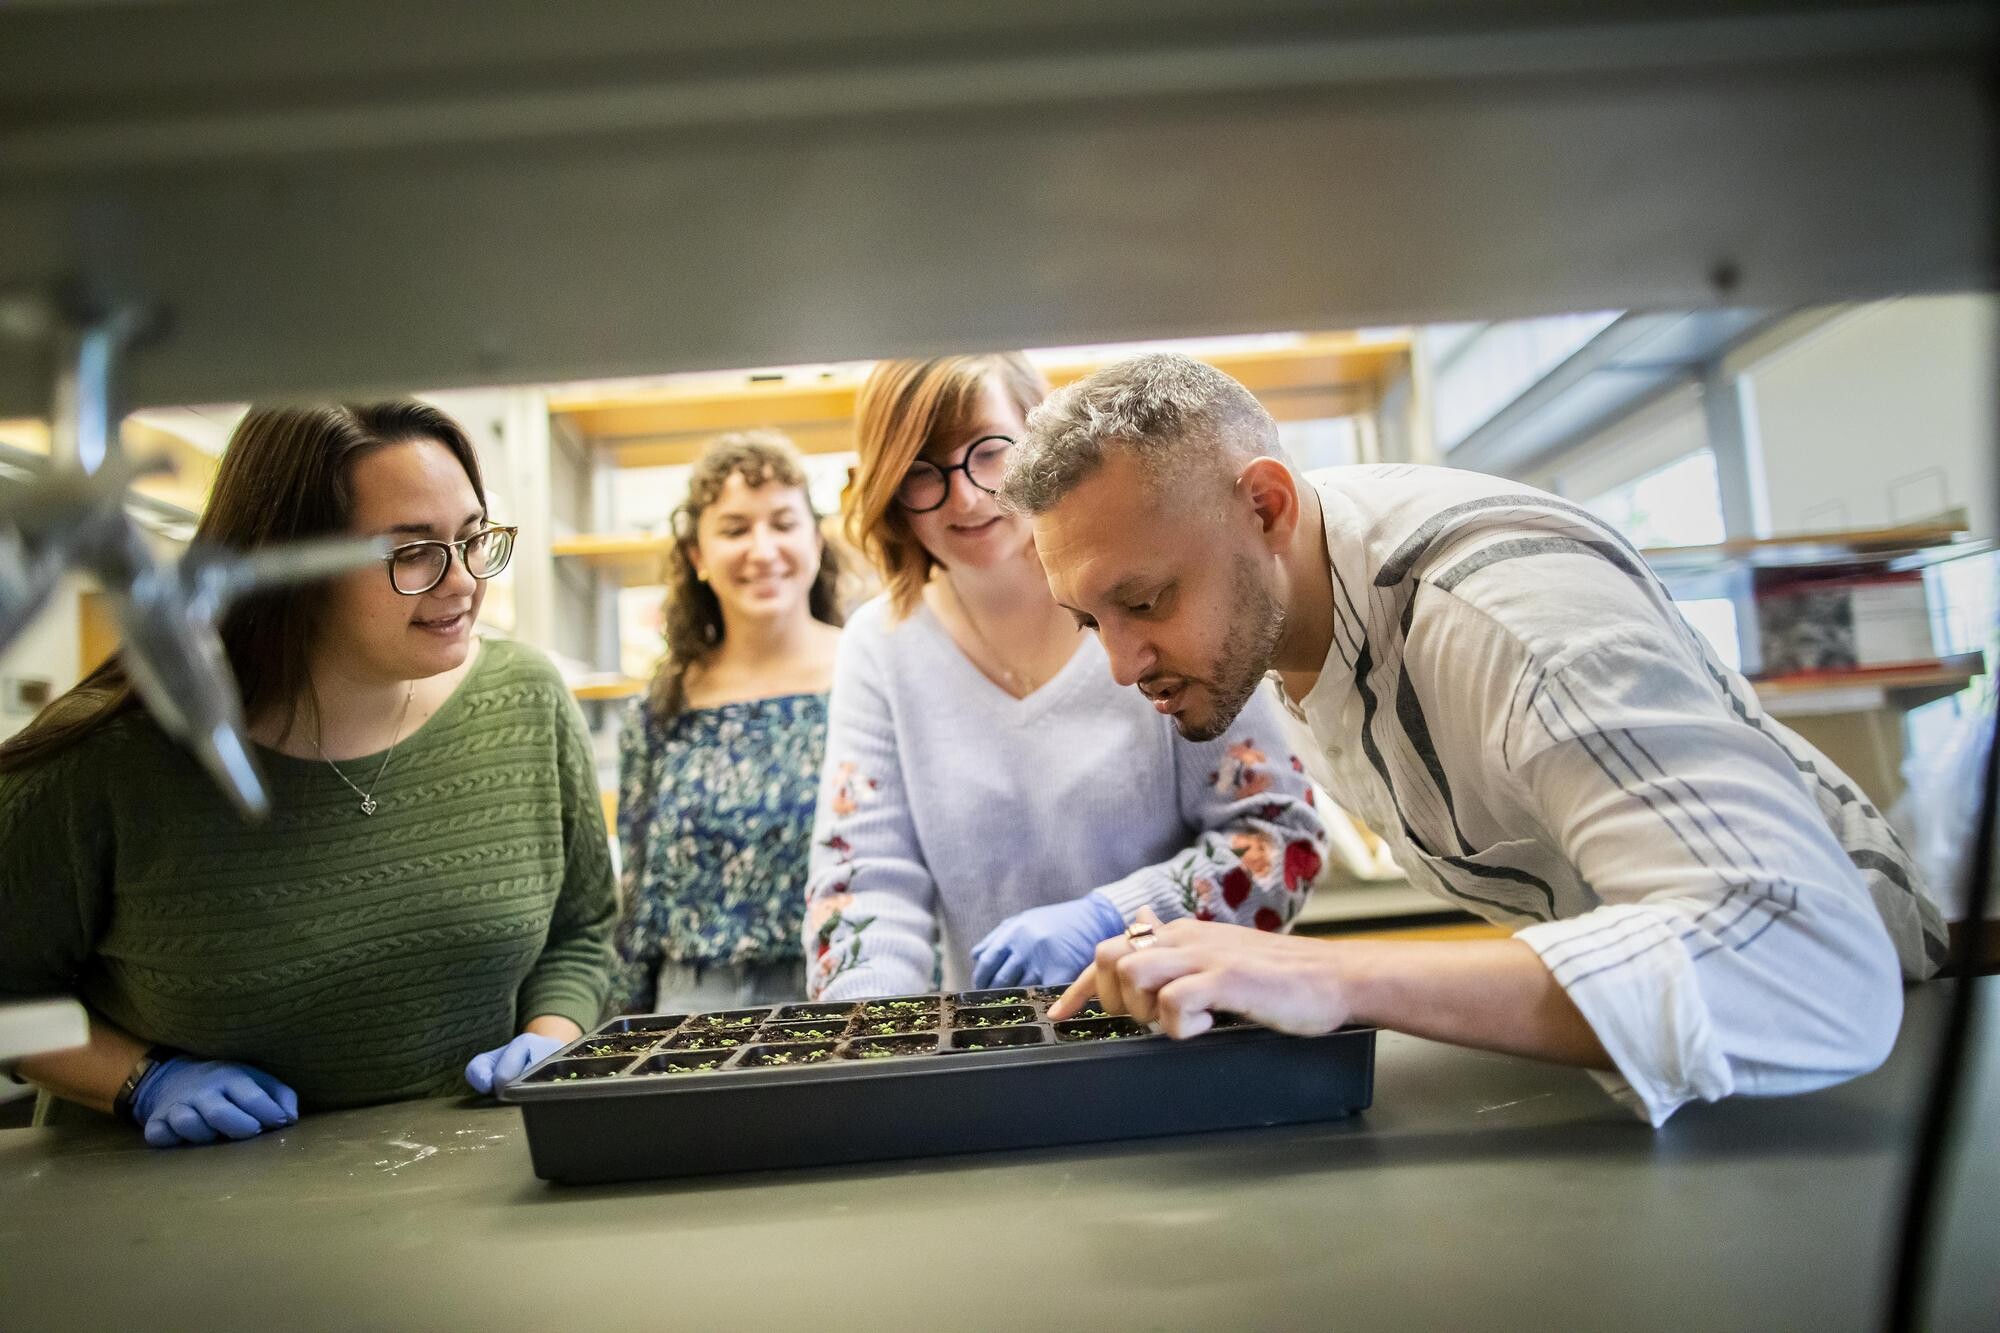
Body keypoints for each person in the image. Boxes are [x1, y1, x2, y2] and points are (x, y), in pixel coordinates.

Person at [1006, 352, 1948, 1126]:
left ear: (1266, 507)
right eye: (1091, 621)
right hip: (1680, 1074)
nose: (1124, 666)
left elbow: (1810, 959)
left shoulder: (1508, 619)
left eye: (1143, 601)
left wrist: (1337, 975)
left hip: (1864, 1080)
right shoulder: (1292, 614)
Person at [0, 402, 615, 1146]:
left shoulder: (525, 700)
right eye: (412, 551)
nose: (462, 582)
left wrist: (554, 1035)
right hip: (168, 1223)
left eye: (472, 537)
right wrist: (141, 1078)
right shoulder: (106, 760)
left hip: (463, 1196)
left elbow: (578, 932)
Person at [803, 354, 1328, 1001]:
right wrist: (871, 1042)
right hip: (996, 1055)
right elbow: (862, 884)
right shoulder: (880, 647)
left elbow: (1278, 839)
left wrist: (1120, 923)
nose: (965, 496)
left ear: (1039, 435)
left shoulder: (1157, 605)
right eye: (920, 471)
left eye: (988, 451)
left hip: (1183, 1032)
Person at [612, 432, 844, 1013]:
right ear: (697, 556)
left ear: (816, 540)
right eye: (736, 529)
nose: (762, 550)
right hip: (689, 1012)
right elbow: (635, 898)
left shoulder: (870, 675)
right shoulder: (663, 707)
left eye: (783, 524)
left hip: (844, 992)